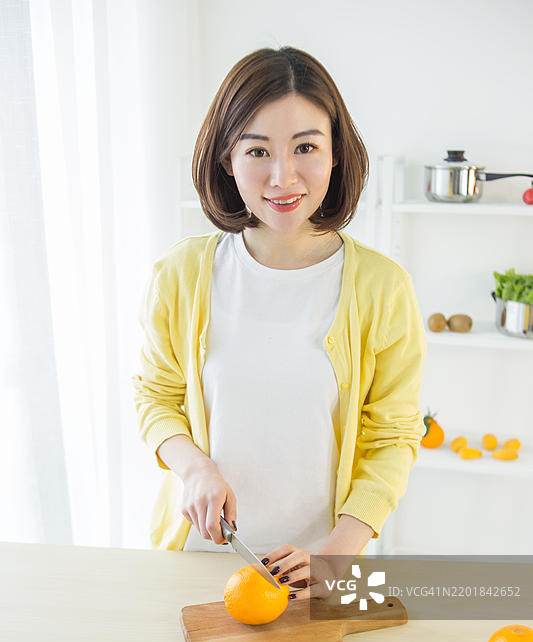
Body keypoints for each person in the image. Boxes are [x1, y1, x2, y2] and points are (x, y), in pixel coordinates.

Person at [132, 45, 427, 602]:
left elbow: (393, 435)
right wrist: (193, 468)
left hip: (324, 573)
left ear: (337, 153)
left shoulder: (384, 287)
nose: (282, 176)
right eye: (258, 150)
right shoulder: (180, 275)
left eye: (306, 147)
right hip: (198, 564)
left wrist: (336, 556)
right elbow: (156, 395)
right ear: (226, 159)